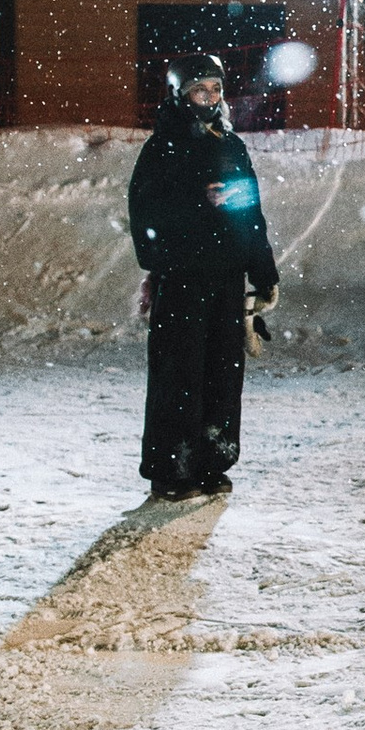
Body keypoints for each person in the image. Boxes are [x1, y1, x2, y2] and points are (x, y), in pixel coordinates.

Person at [128, 54, 279, 500]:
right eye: (200, 90)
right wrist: (200, 204)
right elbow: (145, 214)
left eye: (215, 89)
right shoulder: (162, 148)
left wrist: (264, 272)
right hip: (182, 278)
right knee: (179, 373)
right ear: (181, 94)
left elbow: (250, 212)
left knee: (222, 373)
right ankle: (170, 469)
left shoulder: (231, 145)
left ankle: (213, 460)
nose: (209, 98)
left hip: (227, 277)